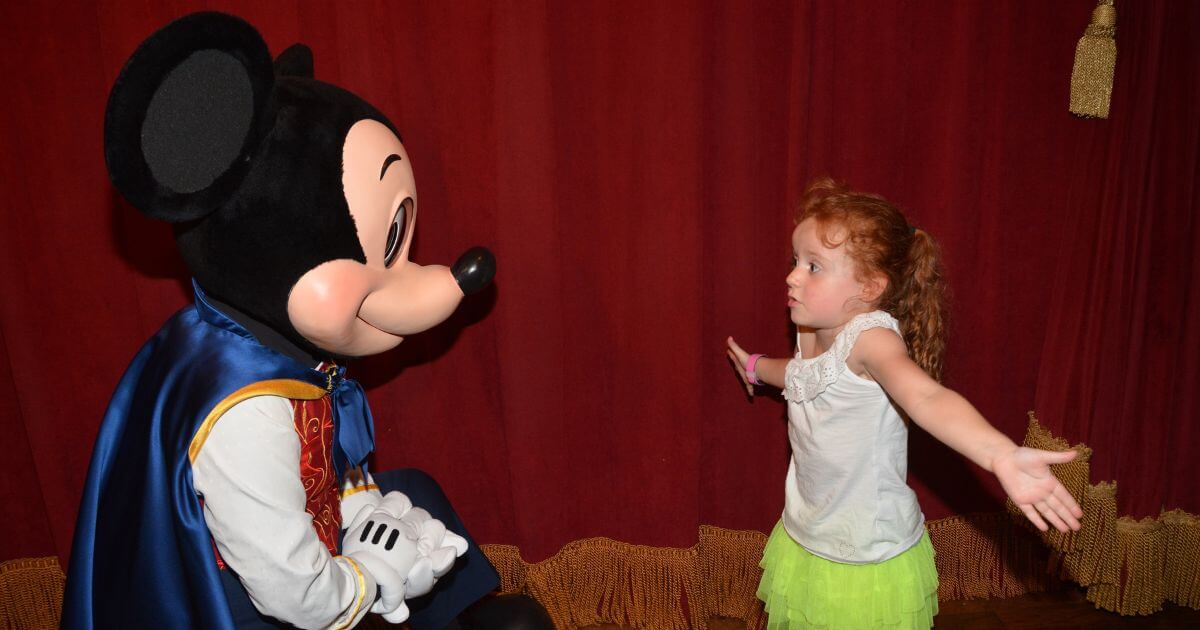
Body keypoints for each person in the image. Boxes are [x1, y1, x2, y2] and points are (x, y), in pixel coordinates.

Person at [725, 177, 1083, 629]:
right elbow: (800, 376)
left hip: (867, 558)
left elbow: (926, 396)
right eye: (795, 260)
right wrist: (756, 366)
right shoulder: (812, 325)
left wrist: (999, 453)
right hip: (808, 535)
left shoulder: (870, 339)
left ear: (871, 286)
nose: (792, 276)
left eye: (814, 266)